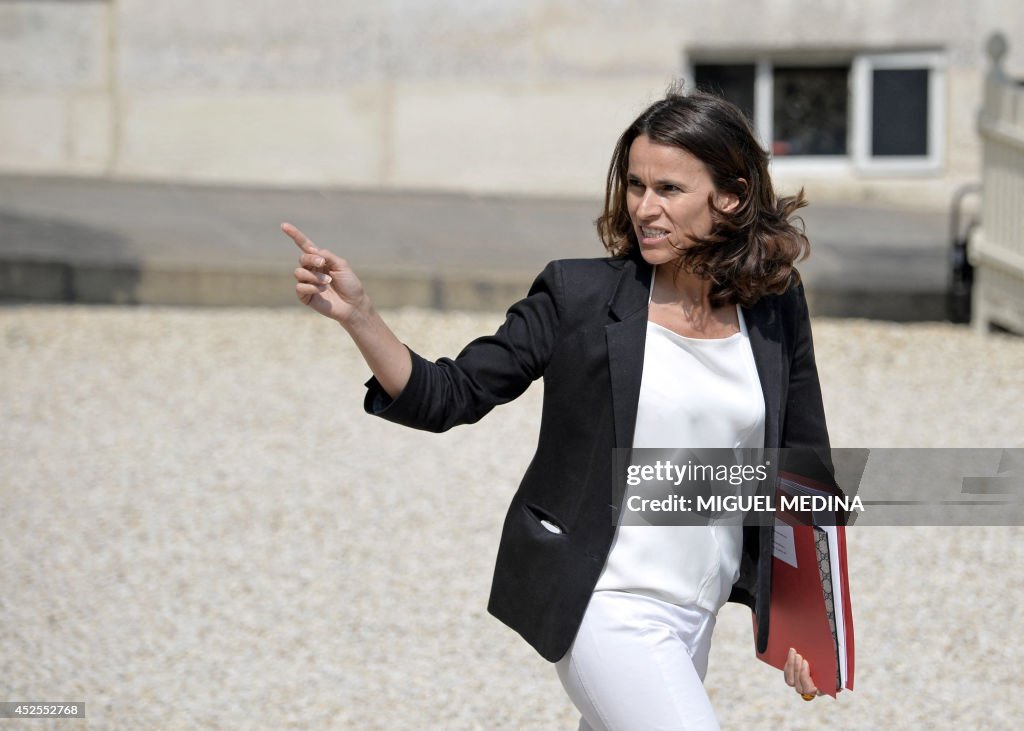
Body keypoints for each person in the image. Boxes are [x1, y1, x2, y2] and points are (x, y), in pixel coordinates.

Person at [284, 87, 828, 729]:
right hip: (605, 602)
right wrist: (361, 317)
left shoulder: (773, 305)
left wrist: (806, 621)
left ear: (730, 195)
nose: (645, 209)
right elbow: (450, 394)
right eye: (635, 185)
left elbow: (803, 468)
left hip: (697, 608)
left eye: (669, 190)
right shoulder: (580, 296)